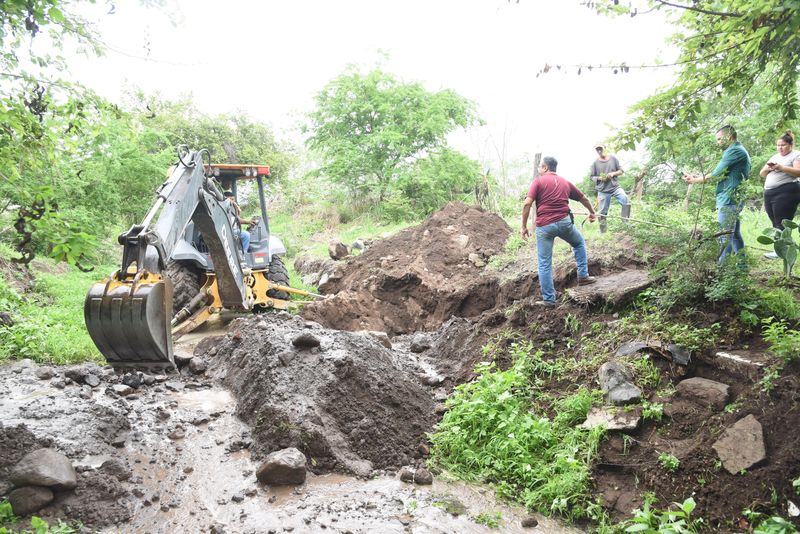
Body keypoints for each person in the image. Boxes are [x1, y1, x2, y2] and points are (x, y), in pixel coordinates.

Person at [522, 156, 598, 307]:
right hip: (564, 223)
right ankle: (583, 276)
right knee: (578, 243)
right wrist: (592, 212)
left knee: (544, 263)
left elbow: (527, 203)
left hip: (544, 227)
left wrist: (523, 226)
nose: (538, 170)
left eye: (539, 168)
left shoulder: (538, 181)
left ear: (545, 168)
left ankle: (549, 300)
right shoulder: (565, 182)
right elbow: (583, 197)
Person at [683, 125, 751, 263]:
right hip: (733, 197)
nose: (718, 142)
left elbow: (715, 175)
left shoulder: (734, 151)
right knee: (734, 234)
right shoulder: (737, 150)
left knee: (724, 235)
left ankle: (722, 268)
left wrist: (695, 180)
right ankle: (742, 267)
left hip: (730, 198)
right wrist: (699, 177)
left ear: (730, 136)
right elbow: (722, 174)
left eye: (720, 139)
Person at [758, 130, 800, 259]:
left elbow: (798, 172)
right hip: (770, 192)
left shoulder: (796, 155)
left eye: (783, 145)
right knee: (774, 222)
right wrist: (768, 168)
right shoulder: (775, 156)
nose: (780, 148)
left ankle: (782, 251)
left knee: (782, 222)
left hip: (786, 191)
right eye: (778, 145)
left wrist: (781, 168)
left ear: (790, 145)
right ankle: (779, 249)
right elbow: (762, 174)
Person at [589, 143, 630, 232]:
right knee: (602, 212)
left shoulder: (613, 159)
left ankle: (626, 224)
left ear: (605, 148)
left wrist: (613, 173)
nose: (599, 151)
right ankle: (603, 232)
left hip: (615, 187)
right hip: (603, 190)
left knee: (625, 199)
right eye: (597, 149)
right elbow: (591, 177)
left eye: (601, 149)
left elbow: (621, 171)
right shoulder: (595, 163)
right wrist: (599, 178)